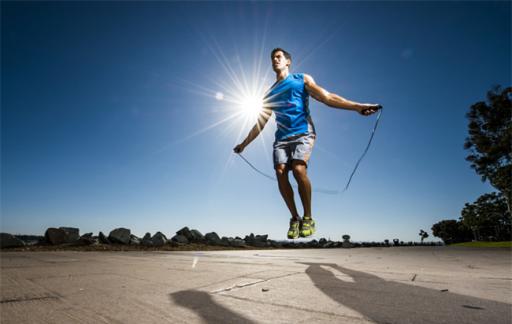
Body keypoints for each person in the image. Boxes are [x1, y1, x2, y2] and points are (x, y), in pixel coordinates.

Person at [234, 48, 381, 239]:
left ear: (288, 61)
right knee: (280, 172)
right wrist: (244, 144)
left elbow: (327, 97)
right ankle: (294, 218)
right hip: (281, 139)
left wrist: (357, 107)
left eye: (279, 57)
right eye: (272, 58)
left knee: (298, 169)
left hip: (303, 133)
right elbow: (260, 123)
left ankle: (308, 217)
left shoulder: (301, 79)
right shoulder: (269, 93)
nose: (275, 60)